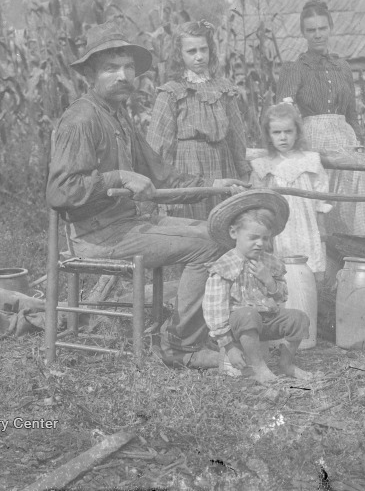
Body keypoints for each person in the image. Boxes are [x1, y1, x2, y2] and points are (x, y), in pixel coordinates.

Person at [45, 21, 247, 369]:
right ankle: (180, 346)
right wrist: (117, 176)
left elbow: (161, 174)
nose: (123, 76)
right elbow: (60, 191)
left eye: (128, 68)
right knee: (213, 243)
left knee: (220, 233)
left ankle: (184, 335)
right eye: (111, 68)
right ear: (91, 74)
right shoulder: (81, 119)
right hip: (99, 235)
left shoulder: (118, 116)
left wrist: (213, 185)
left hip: (130, 224)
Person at [276, 0, 365, 258]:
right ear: (304, 33)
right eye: (311, 30)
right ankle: (318, 273)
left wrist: (359, 144)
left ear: (330, 28)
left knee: (358, 207)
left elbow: (352, 113)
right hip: (313, 143)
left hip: (346, 142)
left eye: (322, 28)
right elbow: (281, 113)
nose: (317, 35)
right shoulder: (295, 69)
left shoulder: (342, 67)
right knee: (317, 208)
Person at [203, 190, 313, 384]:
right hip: (238, 325)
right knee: (248, 315)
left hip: (266, 321)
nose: (260, 243)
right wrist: (228, 346)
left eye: (265, 238)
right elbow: (214, 310)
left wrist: (269, 280)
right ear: (234, 233)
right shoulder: (225, 266)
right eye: (253, 237)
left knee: (299, 318)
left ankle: (285, 363)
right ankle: (259, 367)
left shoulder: (269, 263)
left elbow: (281, 297)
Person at [145, 20, 249, 220]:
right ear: (179, 55)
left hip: (222, 164)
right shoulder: (171, 92)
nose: (199, 56)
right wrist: (163, 190)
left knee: (225, 224)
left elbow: (237, 137)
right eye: (191, 51)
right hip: (188, 169)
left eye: (204, 49)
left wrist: (242, 174)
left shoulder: (224, 89)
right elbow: (158, 148)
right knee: (194, 226)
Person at [249, 102, 332, 281]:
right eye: (277, 132)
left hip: (307, 226)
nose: (283, 138)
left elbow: (321, 197)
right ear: (269, 135)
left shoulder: (309, 161)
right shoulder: (264, 166)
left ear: (297, 132)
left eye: (288, 131)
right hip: (279, 228)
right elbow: (257, 201)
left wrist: (321, 224)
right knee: (281, 268)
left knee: (309, 266)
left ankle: (310, 302)